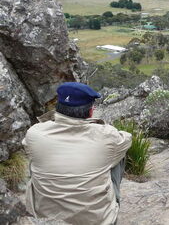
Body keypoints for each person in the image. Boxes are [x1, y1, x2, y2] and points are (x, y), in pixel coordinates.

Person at [23, 82, 132, 225]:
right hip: (98, 221)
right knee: (117, 155)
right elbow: (127, 138)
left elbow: (28, 147)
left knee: (36, 157)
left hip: (44, 219)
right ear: (91, 111)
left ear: (57, 109)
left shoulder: (35, 133)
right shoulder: (107, 136)